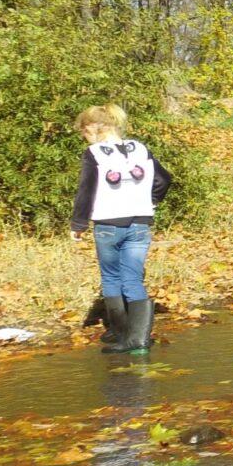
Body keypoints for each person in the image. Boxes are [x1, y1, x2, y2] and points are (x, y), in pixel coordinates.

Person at [69, 104, 172, 354]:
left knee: (112, 277)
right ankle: (136, 340)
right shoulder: (140, 148)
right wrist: (151, 200)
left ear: (94, 128)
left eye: (83, 130)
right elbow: (164, 179)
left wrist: (78, 224)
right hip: (140, 221)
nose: (83, 135)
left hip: (108, 222)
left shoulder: (94, 153)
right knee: (133, 278)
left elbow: (87, 190)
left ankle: (123, 333)